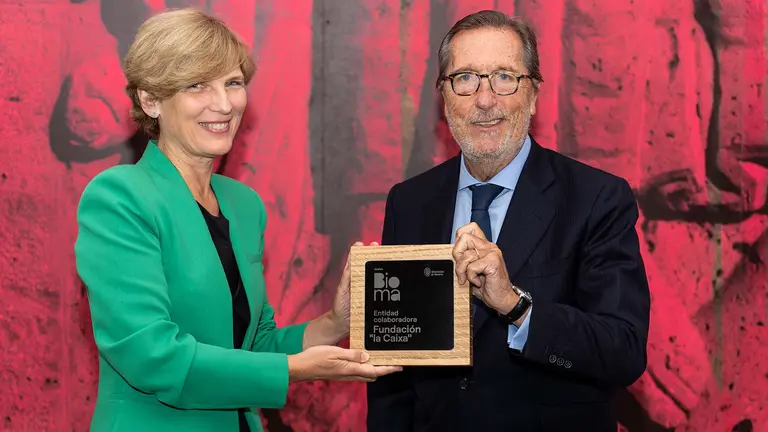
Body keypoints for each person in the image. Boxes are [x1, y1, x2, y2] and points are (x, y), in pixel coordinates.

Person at [73, 8, 400, 432]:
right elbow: (152, 357)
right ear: (150, 100)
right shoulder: (119, 197)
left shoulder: (244, 205)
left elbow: (254, 346)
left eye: (233, 83)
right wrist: (294, 371)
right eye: (197, 86)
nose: (224, 104)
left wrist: (335, 322)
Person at [366, 10, 651, 432]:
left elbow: (622, 351)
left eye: (505, 77)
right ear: (444, 96)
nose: (485, 100)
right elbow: (394, 372)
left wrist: (517, 306)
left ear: (534, 94)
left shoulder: (595, 198)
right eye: (465, 78)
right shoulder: (409, 202)